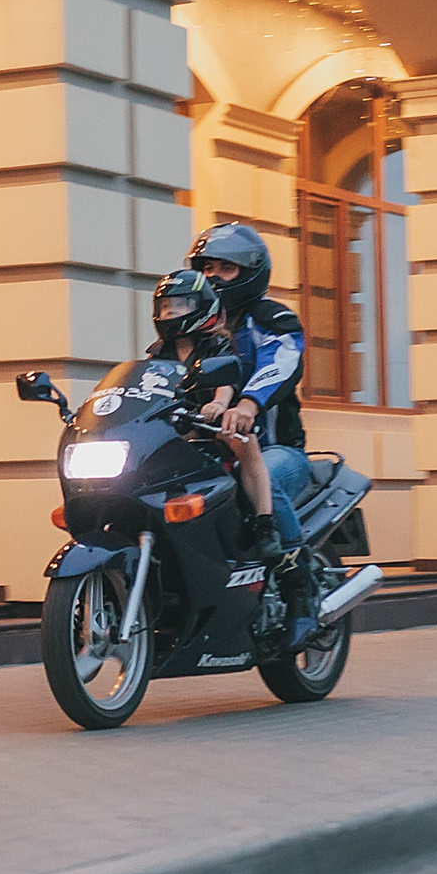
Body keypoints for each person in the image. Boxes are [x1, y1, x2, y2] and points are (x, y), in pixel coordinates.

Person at [186, 223, 321, 648]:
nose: (212, 277)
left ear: (250, 272)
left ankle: (299, 588)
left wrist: (247, 405)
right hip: (209, 450)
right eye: (206, 268)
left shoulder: (271, 318)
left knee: (255, 481)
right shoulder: (193, 324)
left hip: (278, 450)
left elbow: (280, 361)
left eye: (225, 268)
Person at [147, 269, 279, 553]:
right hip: (176, 424)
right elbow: (144, 383)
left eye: (180, 305)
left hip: (213, 423)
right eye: (166, 306)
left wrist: (219, 403)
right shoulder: (158, 351)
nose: (171, 312)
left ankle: (265, 523)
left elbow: (226, 380)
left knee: (245, 441)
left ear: (201, 305)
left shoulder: (216, 343)